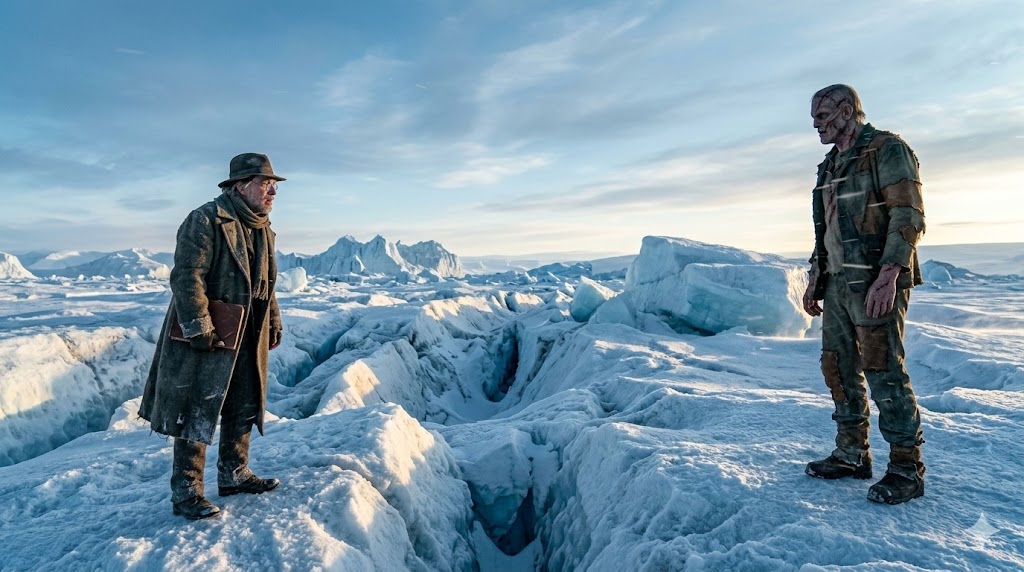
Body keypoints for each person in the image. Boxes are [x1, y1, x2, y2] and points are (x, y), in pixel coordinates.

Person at [140, 152, 286, 520]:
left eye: (273, 185)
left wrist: (273, 321)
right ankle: (187, 492)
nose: (272, 191)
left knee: (243, 401)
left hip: (248, 331)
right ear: (240, 186)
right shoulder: (205, 219)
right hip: (211, 331)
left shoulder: (263, 227)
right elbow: (187, 276)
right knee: (196, 407)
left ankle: (234, 473)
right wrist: (198, 326)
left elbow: (267, 285)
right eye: (263, 183)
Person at [802, 85, 927, 505]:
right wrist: (816, 277)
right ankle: (852, 453)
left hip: (876, 280)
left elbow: (907, 214)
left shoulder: (886, 150)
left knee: (883, 370)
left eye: (822, 115)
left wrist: (890, 273)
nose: (816, 125)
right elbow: (827, 229)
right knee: (837, 366)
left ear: (845, 109)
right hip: (838, 283)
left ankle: (907, 469)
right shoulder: (829, 165)